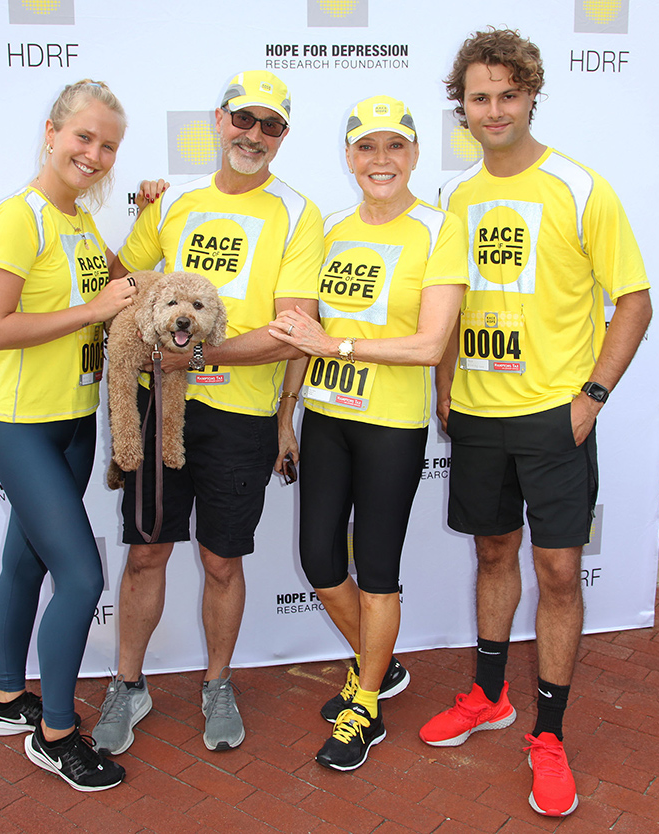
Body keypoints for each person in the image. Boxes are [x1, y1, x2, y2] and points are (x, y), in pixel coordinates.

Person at [419, 29, 652, 817]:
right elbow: (447, 306)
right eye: (479, 97)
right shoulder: (457, 197)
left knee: (556, 573)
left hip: (555, 416)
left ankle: (548, 735)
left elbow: (636, 300)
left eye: (507, 95)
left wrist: (593, 393)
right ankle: (489, 695)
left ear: (531, 96)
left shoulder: (581, 187)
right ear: (463, 107)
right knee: (492, 554)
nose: (494, 110)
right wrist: (446, 383)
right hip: (478, 416)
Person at [90, 70, 324, 755]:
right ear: (220, 121)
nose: (254, 135)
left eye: (271, 125)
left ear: (283, 136)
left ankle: (218, 682)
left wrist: (195, 359)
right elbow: (123, 283)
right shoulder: (178, 202)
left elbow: (294, 327)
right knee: (146, 554)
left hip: (241, 420)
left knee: (222, 561)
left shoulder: (297, 213)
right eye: (243, 120)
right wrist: (137, 209)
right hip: (160, 407)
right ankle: (128, 685)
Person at [268, 96, 468, 771]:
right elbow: (303, 332)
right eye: (367, 147)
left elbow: (431, 342)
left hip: (390, 425)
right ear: (349, 155)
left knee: (378, 570)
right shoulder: (329, 227)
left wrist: (340, 345)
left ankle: (367, 702)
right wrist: (287, 411)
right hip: (326, 417)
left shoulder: (440, 228)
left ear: (414, 153)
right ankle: (380, 667)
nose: (381, 160)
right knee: (320, 560)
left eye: (396, 146)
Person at [0, 80, 137, 791]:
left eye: (107, 146)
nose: (95, 154)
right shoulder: (20, 218)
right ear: (51, 131)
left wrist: (154, 211)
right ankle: (57, 735)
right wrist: (92, 310)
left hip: (74, 424)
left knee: (26, 563)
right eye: (83, 137)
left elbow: (125, 287)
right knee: (81, 576)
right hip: (22, 429)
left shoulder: (78, 222)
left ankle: (8, 699)